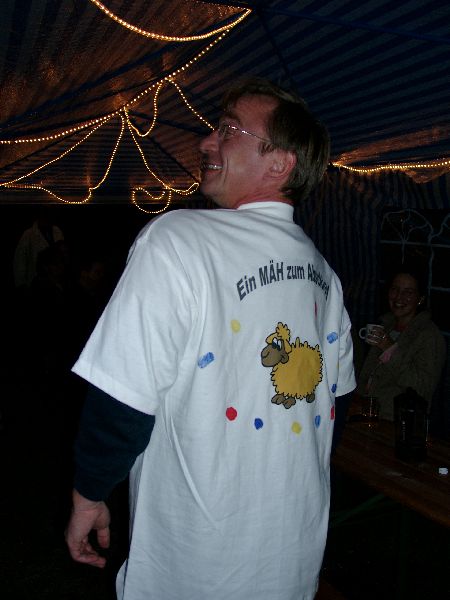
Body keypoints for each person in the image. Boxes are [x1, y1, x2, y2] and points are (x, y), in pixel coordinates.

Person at [65, 77, 355, 600]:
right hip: (292, 556)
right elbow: (331, 410)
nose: (205, 142)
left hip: (196, 567)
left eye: (227, 131)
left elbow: (122, 396)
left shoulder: (178, 240)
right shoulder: (325, 277)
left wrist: (89, 492)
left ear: (279, 163)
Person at [357, 266, 446, 420]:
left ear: (420, 299)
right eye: (395, 289)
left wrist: (390, 349)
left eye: (408, 292)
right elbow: (367, 374)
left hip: (396, 421)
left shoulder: (429, 336)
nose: (399, 297)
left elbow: (422, 387)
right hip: (365, 412)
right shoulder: (385, 325)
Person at [13, 206, 64, 289]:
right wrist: (21, 285)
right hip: (36, 284)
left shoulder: (57, 231)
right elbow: (20, 262)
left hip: (57, 282)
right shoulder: (28, 235)